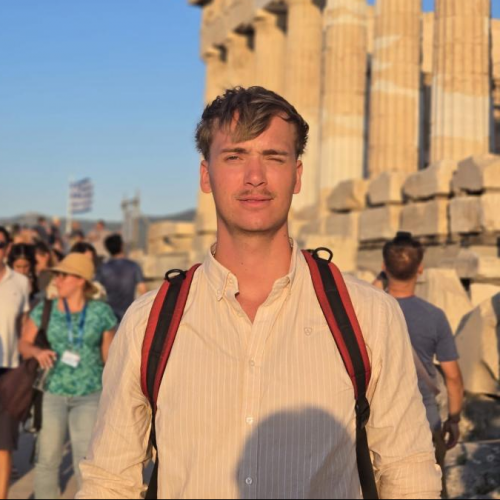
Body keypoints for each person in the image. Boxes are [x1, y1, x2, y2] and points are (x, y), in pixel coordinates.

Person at [77, 87, 441, 499]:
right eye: (235, 157)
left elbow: (407, 470)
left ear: (297, 175)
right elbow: (109, 481)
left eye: (273, 157)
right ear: (205, 175)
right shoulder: (148, 322)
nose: (255, 177)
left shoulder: (368, 314)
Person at [19, 253, 117, 499]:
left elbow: (111, 358)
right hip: (52, 391)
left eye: (63, 275)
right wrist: (37, 352)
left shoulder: (101, 312)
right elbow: (24, 344)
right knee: (47, 459)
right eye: (56, 275)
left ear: (81, 280)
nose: (57, 280)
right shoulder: (45, 309)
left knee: (85, 461)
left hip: (90, 394)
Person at [382, 232, 464, 498]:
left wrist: (378, 282)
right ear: (420, 269)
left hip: (378, 425)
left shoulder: (367, 310)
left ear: (384, 267)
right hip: (424, 422)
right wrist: (454, 419)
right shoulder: (434, 316)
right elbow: (452, 377)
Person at [0, 227, 31, 500]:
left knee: (4, 442)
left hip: (9, 371)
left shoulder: (21, 283)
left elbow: (24, 326)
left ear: (7, 248)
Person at [95, 234, 146, 322]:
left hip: (108, 316)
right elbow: (143, 291)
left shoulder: (103, 268)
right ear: (122, 246)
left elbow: (95, 290)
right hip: (127, 315)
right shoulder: (133, 266)